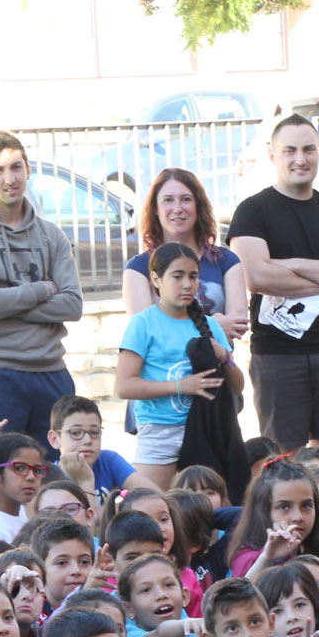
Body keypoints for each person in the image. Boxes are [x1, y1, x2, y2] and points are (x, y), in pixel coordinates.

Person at [228, 114, 319, 451]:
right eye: (289, 150)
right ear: (272, 155)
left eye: (308, 149)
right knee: (284, 458)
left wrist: (288, 266)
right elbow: (256, 276)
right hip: (278, 355)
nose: (300, 159)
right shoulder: (252, 211)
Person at [0, 131, 83, 454]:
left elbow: (73, 305)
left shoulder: (52, 236)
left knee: (58, 480)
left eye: (16, 167)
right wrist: (44, 288)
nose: (10, 179)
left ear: (28, 170)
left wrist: (7, 299)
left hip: (52, 372)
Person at [121, 168, 249, 439]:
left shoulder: (226, 260)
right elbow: (148, 329)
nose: (177, 208)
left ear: (198, 206)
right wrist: (214, 325)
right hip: (161, 401)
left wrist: (183, 327)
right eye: (167, 200)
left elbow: (238, 323)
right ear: (155, 209)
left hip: (215, 389)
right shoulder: (138, 268)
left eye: (186, 199)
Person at [115, 243, 244, 489]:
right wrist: (181, 386)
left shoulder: (210, 325)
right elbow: (124, 386)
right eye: (177, 276)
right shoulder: (143, 324)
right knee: (152, 508)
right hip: (159, 432)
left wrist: (224, 357)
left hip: (206, 432)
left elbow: (237, 386)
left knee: (204, 514)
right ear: (155, 279)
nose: (187, 284)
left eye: (193, 276)